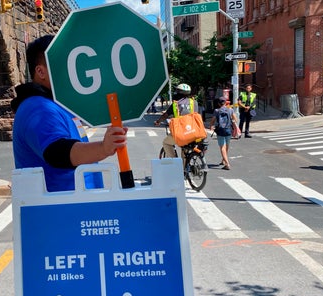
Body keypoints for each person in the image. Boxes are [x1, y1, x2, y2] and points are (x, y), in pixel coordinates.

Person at [11, 35, 128, 192]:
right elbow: (58, 152)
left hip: (75, 207)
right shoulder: (39, 108)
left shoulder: (54, 104)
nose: (70, 71)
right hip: (63, 210)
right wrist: (103, 148)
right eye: (62, 65)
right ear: (41, 71)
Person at [153, 83, 199, 158]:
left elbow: (165, 115)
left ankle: (175, 160)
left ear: (178, 93)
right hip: (193, 131)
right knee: (185, 151)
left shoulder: (176, 104)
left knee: (166, 143)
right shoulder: (194, 102)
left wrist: (158, 121)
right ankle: (185, 167)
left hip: (181, 132)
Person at [210, 97, 238, 170]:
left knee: (222, 147)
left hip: (220, 130)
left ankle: (227, 164)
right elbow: (235, 119)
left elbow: (213, 120)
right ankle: (223, 160)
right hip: (228, 130)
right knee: (227, 146)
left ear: (219, 103)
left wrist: (211, 125)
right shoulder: (230, 110)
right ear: (225, 102)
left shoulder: (217, 110)